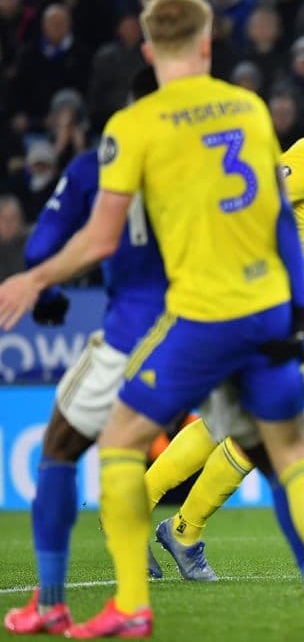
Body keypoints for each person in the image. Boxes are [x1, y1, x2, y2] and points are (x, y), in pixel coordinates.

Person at [0, 0, 304, 636]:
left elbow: (101, 239)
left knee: (116, 443)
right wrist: (297, 297)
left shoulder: (136, 127)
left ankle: (128, 603)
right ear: (206, 46)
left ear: (146, 51)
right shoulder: (249, 108)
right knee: (289, 452)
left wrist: (35, 276)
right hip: (268, 310)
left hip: (198, 309)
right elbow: (280, 217)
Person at [144, 71, 304, 590]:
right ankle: (181, 531)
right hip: (252, 306)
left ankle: (149, 514)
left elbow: (300, 224)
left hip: (271, 309)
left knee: (223, 425)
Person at [2, 68, 166, 637]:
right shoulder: (213, 157)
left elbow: (45, 241)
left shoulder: (100, 162)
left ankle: (51, 602)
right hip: (215, 326)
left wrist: (41, 284)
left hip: (136, 328)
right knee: (278, 450)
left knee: (61, 446)